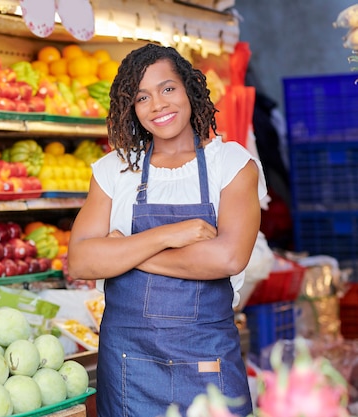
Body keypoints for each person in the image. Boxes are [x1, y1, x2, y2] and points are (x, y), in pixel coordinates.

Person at [66, 43, 267, 417]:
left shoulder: (233, 164)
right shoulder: (114, 171)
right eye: (142, 96)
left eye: (168, 88)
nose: (158, 104)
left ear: (188, 89)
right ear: (131, 107)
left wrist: (125, 252)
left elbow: (228, 257)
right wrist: (166, 235)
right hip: (129, 367)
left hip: (206, 362)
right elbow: (79, 260)